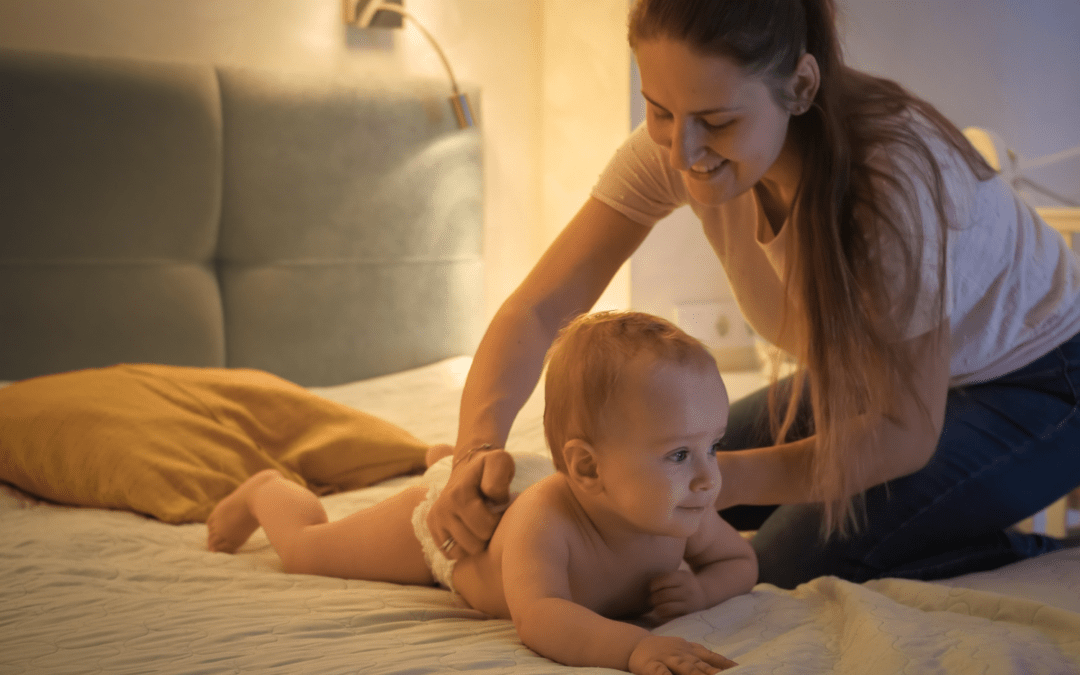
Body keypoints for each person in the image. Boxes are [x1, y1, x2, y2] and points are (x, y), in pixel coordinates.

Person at [427, 0, 1080, 590]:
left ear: (799, 87)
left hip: (1042, 385)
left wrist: (723, 477)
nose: (683, 152)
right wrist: (475, 448)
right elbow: (541, 307)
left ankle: (1027, 548)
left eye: (715, 120)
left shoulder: (889, 188)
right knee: (636, 485)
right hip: (877, 384)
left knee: (780, 564)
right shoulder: (677, 147)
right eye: (659, 111)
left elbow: (903, 431)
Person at [207, 311, 757, 674]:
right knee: (307, 550)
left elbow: (740, 560)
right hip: (456, 537)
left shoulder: (682, 508)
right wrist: (634, 646)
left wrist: (704, 593)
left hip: (518, 479)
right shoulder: (546, 522)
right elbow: (540, 616)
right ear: (588, 468)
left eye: (713, 445)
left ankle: (444, 457)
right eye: (680, 455)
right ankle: (265, 491)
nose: (710, 477)